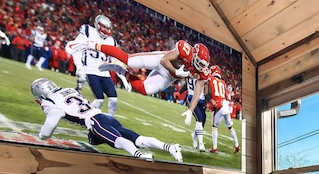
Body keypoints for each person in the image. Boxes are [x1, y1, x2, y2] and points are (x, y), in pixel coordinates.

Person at [30, 78, 183, 162]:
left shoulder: (49, 101)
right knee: (138, 139)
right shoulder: (68, 90)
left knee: (118, 141)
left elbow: (50, 124)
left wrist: (42, 136)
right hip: (105, 117)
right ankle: (169, 147)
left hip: (95, 122)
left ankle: (139, 155)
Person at [82, 39, 210, 101]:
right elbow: (164, 60)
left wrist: (190, 109)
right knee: (128, 60)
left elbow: (200, 88)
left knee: (144, 90)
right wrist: (177, 72)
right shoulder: (185, 50)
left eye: (202, 64)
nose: (200, 66)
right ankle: (92, 44)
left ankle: (121, 71)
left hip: (168, 77)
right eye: (199, 61)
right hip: (160, 61)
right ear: (193, 54)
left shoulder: (201, 71)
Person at [65, 15, 129, 115]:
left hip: (104, 73)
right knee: (99, 100)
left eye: (108, 28)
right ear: (98, 26)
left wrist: (122, 75)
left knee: (114, 99)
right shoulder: (88, 31)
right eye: (105, 28)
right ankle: (87, 117)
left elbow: (115, 60)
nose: (107, 30)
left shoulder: (111, 41)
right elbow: (77, 48)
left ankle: (110, 119)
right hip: (90, 70)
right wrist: (80, 67)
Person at [206, 65, 240, 154]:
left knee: (214, 126)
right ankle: (237, 145)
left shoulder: (211, 79)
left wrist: (210, 100)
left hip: (219, 104)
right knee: (230, 127)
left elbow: (208, 91)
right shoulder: (223, 82)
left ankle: (214, 148)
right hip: (225, 104)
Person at [185, 76, 208, 152]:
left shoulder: (199, 74)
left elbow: (205, 87)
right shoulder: (196, 73)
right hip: (192, 97)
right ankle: (201, 144)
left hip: (201, 100)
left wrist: (206, 99)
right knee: (200, 119)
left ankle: (194, 135)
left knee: (203, 119)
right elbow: (186, 84)